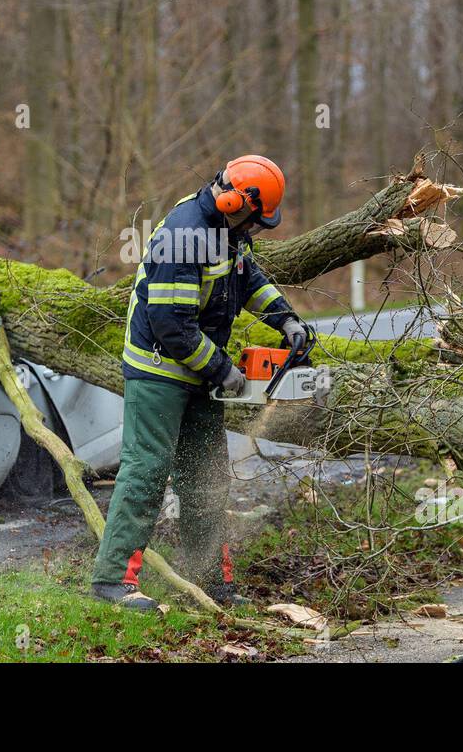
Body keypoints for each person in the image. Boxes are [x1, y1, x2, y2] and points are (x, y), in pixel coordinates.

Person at [91, 154, 310, 610]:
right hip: (159, 371)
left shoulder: (229, 232)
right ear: (236, 202)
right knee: (147, 471)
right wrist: (223, 371)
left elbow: (246, 279)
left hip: (200, 370)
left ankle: (207, 579)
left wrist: (284, 319)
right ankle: (112, 581)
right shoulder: (185, 236)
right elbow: (170, 324)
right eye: (255, 219)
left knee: (206, 477)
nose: (255, 229)